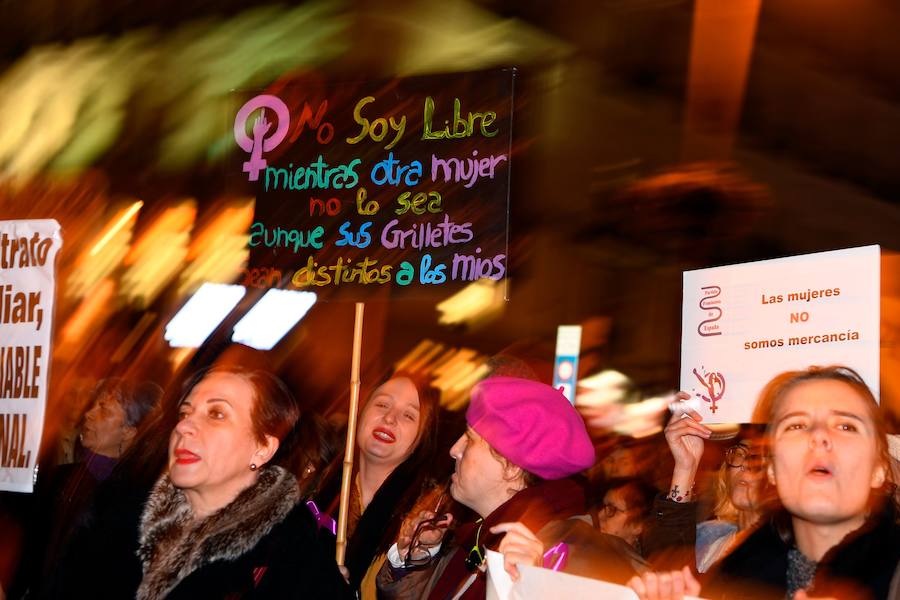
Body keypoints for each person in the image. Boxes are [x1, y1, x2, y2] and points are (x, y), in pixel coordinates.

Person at [630, 366, 900, 600]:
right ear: (771, 470)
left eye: (846, 426)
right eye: (796, 425)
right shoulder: (730, 579)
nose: (818, 436)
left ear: (879, 470)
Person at [378, 376, 642, 599]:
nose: (454, 450)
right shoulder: (480, 536)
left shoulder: (562, 555)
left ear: (511, 466)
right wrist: (416, 561)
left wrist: (534, 589)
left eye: (469, 440)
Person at [9, 378, 162, 599]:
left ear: (129, 431)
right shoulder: (62, 477)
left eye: (104, 409)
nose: (89, 414)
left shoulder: (139, 503)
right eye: (94, 405)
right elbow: (33, 549)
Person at [310, 371, 441, 598]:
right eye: (382, 404)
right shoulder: (312, 487)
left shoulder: (423, 528)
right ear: (359, 412)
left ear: (420, 441)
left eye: (409, 416)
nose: (390, 418)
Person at [643, 412, 766, 573]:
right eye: (740, 452)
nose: (746, 464)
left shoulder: (791, 552)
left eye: (760, 456)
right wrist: (686, 468)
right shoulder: (708, 538)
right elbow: (667, 573)